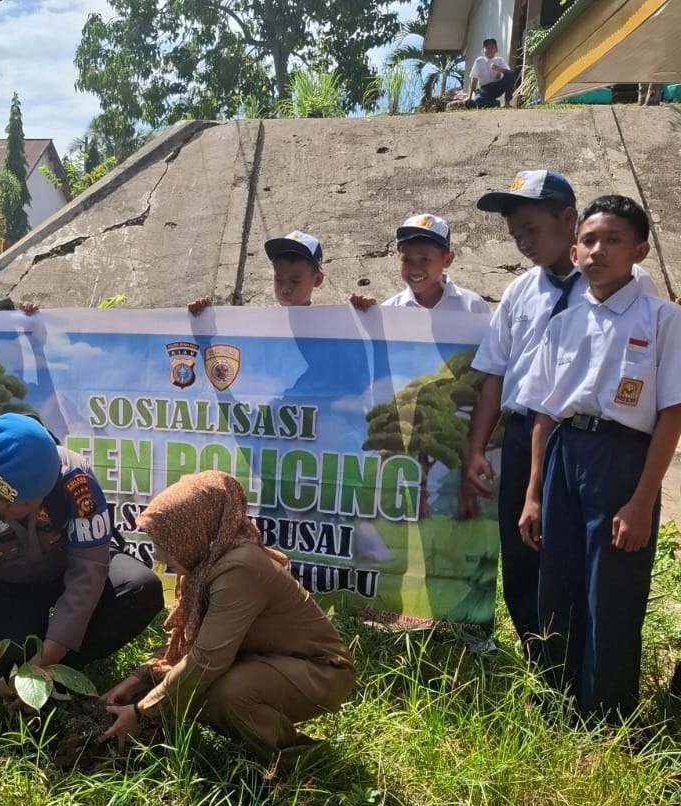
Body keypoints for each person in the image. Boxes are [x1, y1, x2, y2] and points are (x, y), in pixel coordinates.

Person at [464, 171, 657, 653]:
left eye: (531, 228)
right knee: (522, 546)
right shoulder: (519, 293)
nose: (524, 242)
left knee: (578, 552)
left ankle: (584, 658)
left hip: (591, 439)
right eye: (516, 235)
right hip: (526, 428)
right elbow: (493, 376)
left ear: (567, 219)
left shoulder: (634, 285)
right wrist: (475, 450)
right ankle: (539, 654)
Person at [516, 195, 681, 721]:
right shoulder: (563, 323)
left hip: (623, 460)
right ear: (574, 247)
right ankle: (555, 707)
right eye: (588, 239)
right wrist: (533, 492)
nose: (598, 249)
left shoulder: (662, 319)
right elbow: (544, 412)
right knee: (557, 585)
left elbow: (672, 415)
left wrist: (641, 502)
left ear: (640, 249)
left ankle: (605, 720)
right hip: (566, 453)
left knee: (609, 596)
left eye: (612, 239)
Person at [0, 413, 164, 735]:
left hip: (65, 568)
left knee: (141, 588)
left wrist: (47, 659)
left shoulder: (75, 481)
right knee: (3, 654)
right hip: (9, 584)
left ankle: (58, 669)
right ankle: (19, 658)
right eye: (5, 502)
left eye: (28, 504)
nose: (15, 511)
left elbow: (88, 572)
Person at [99, 471, 355, 762]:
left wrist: (141, 713)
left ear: (192, 532)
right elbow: (186, 643)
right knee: (194, 689)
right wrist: (140, 679)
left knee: (225, 693)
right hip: (269, 660)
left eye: (165, 542)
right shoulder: (204, 565)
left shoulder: (238, 569)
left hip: (322, 671)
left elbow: (207, 660)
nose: (158, 555)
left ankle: (298, 761)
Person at [349, 214, 490, 313]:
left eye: (425, 259)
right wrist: (369, 317)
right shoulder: (389, 310)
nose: (415, 269)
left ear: (447, 260)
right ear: (398, 259)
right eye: (407, 260)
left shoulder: (473, 306)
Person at [189, 231, 325, 314]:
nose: (285, 290)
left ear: (317, 280)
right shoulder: (257, 327)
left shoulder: (330, 328)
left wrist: (347, 316)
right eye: (279, 279)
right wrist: (204, 323)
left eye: (295, 281)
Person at [467, 38, 516, 108]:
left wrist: (499, 69)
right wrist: (469, 97)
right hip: (484, 90)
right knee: (477, 101)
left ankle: (507, 103)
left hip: (497, 87)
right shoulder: (479, 61)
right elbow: (474, 79)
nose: (489, 50)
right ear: (483, 50)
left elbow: (509, 73)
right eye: (487, 48)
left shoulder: (500, 60)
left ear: (496, 49)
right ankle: (495, 103)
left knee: (510, 74)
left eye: (492, 47)